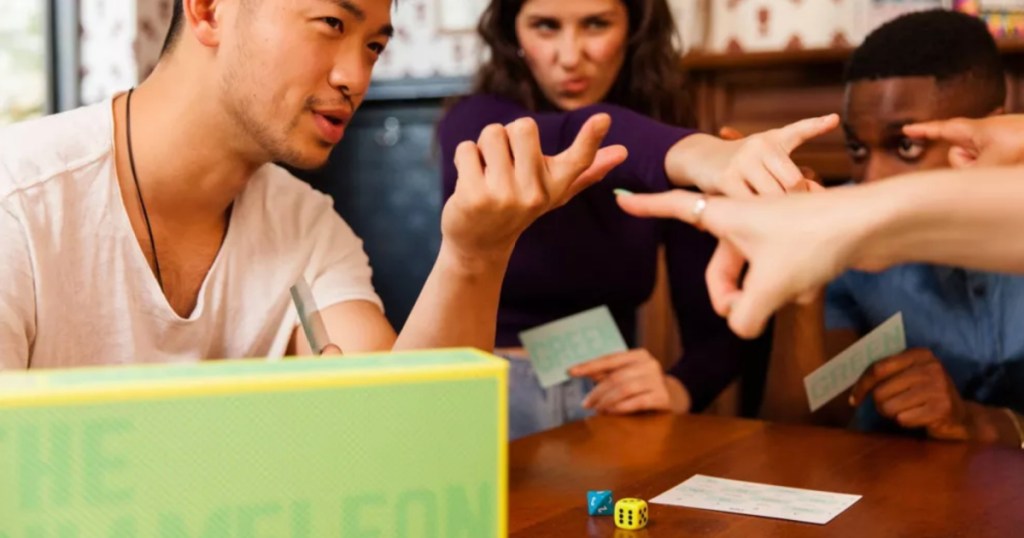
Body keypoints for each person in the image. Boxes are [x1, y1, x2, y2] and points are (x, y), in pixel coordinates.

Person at [0, 0, 628, 370]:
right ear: (210, 9)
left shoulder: (309, 226)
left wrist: (476, 253)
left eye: (375, 46)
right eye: (331, 22)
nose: (357, 75)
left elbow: (400, 445)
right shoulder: (19, 204)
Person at [439, 0, 836, 438]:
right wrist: (701, 155)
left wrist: (678, 388)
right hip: (485, 396)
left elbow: (718, 330)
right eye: (545, 26)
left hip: (608, 403)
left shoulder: (664, 147)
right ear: (513, 35)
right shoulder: (475, 123)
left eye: (596, 24)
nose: (570, 56)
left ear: (634, 31)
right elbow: (580, 133)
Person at [754, 10, 1024, 445]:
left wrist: (982, 423)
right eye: (857, 149)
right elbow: (795, 436)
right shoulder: (851, 247)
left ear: (995, 131)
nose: (872, 180)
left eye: (906, 145)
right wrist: (801, 273)